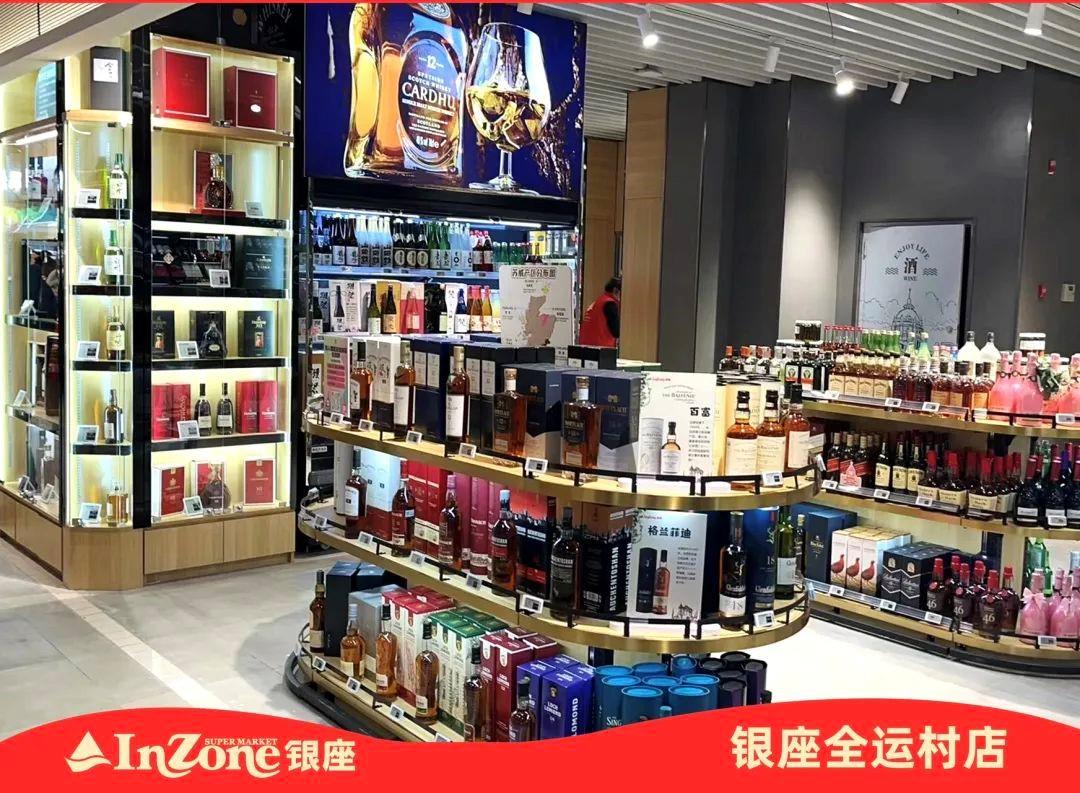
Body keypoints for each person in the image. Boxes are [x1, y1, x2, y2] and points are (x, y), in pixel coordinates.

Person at [579, 277, 620, 348]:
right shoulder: (610, 304)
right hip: (600, 347)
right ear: (615, 290)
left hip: (585, 346)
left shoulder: (599, 301)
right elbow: (616, 332)